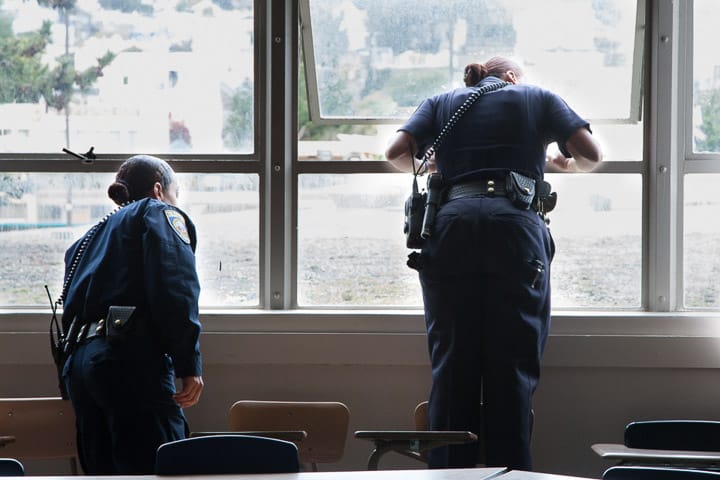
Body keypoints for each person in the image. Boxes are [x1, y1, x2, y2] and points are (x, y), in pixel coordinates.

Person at [385, 57, 602, 470]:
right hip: (515, 233)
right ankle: (510, 473)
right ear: (512, 78)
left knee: (451, 371)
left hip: (449, 232)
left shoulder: (440, 102)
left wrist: (436, 165)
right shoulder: (537, 97)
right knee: (512, 374)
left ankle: (450, 474)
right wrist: (563, 165)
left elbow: (396, 153)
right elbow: (591, 155)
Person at [59, 155, 204, 474]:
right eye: (174, 192)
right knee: (157, 468)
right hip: (128, 360)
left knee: (104, 472)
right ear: (157, 189)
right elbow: (175, 284)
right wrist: (188, 362)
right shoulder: (158, 212)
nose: (175, 200)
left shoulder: (86, 241)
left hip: (82, 368)